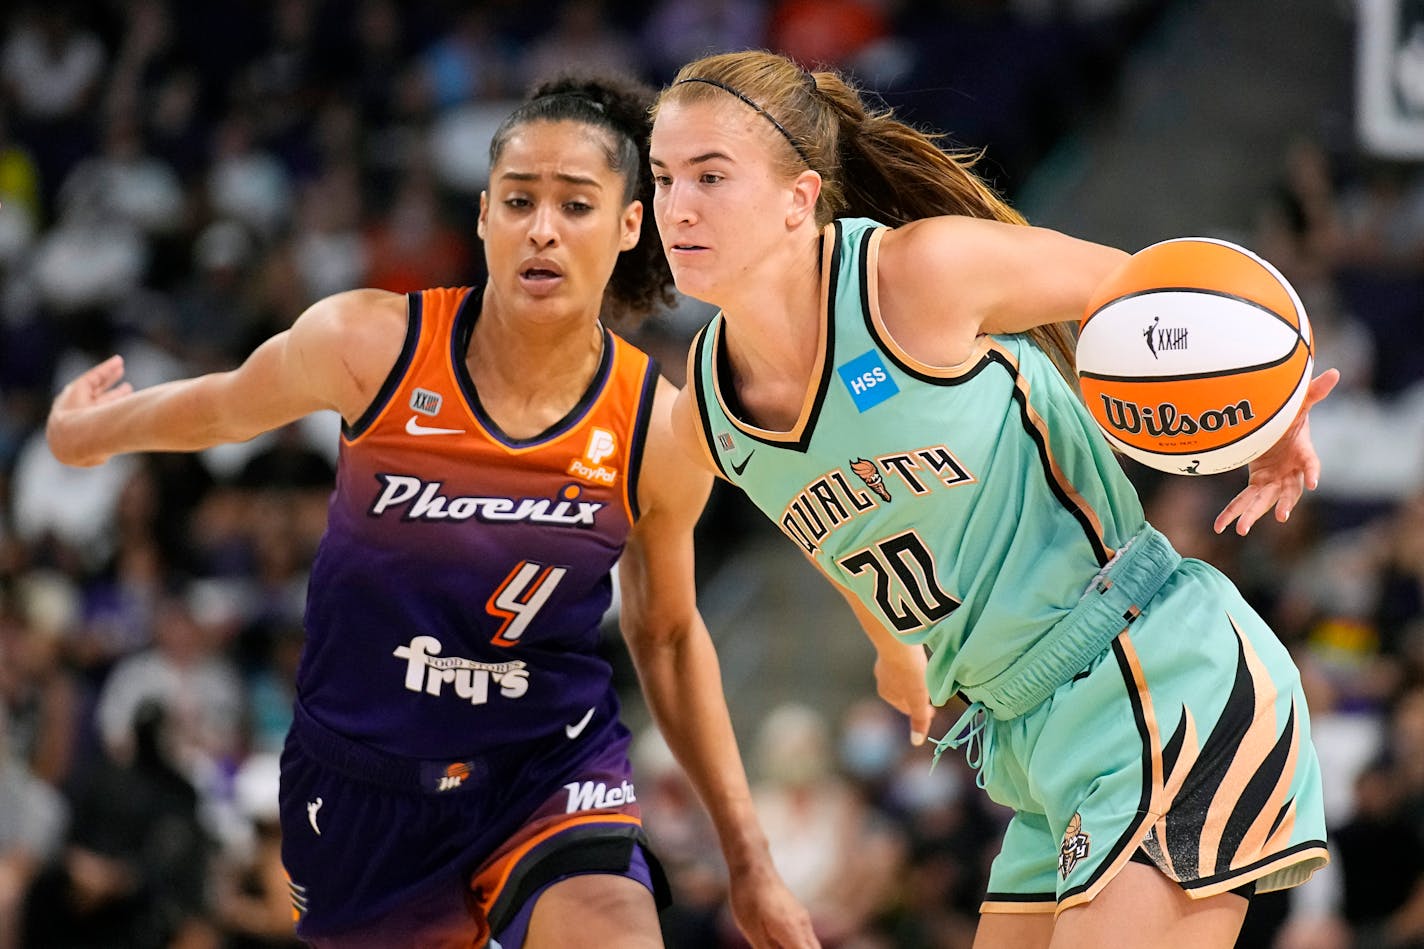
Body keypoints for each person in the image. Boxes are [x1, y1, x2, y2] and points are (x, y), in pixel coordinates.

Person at [46, 74, 817, 949]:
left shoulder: (656, 425)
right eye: (520, 200)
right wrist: (91, 433)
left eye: (577, 204)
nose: (543, 228)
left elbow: (670, 638)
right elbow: (223, 404)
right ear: (484, 214)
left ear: (630, 225)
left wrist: (749, 858)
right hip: (363, 782)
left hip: (548, 765)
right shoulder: (372, 344)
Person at [647, 49, 1341, 949]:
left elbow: (1165, 298)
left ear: (799, 196)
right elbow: (841, 532)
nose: (678, 206)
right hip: (1031, 741)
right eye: (663, 178)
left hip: (1157, 674)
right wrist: (895, 645)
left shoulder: (918, 277)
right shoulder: (708, 413)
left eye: (711, 176)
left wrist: (1269, 417)